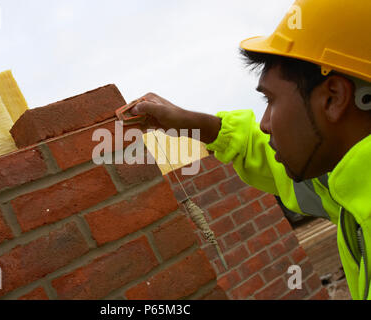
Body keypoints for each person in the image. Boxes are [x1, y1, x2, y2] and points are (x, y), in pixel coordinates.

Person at [130, 0, 371, 300]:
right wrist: (201, 125)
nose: (265, 123)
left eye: (269, 100)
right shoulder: (350, 186)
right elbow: (277, 162)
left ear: (334, 98)